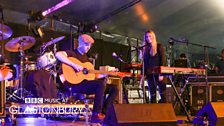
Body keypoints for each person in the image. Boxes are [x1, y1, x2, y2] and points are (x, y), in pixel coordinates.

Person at [55, 34, 118, 123]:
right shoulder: (72, 54)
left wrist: (106, 74)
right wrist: (74, 65)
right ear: (79, 43)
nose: (88, 47)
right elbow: (58, 54)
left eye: (90, 45)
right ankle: (96, 113)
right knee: (100, 84)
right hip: (76, 85)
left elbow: (93, 76)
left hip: (87, 84)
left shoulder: (88, 62)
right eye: (86, 44)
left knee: (114, 88)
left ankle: (103, 114)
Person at [142, 29, 167, 103]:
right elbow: (145, 63)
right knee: (152, 94)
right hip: (150, 74)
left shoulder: (159, 46)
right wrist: (143, 75)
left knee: (162, 93)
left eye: (150, 36)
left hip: (159, 73)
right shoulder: (146, 49)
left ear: (153, 37)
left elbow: (163, 60)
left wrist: (161, 74)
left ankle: (165, 112)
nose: (148, 38)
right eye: (146, 37)